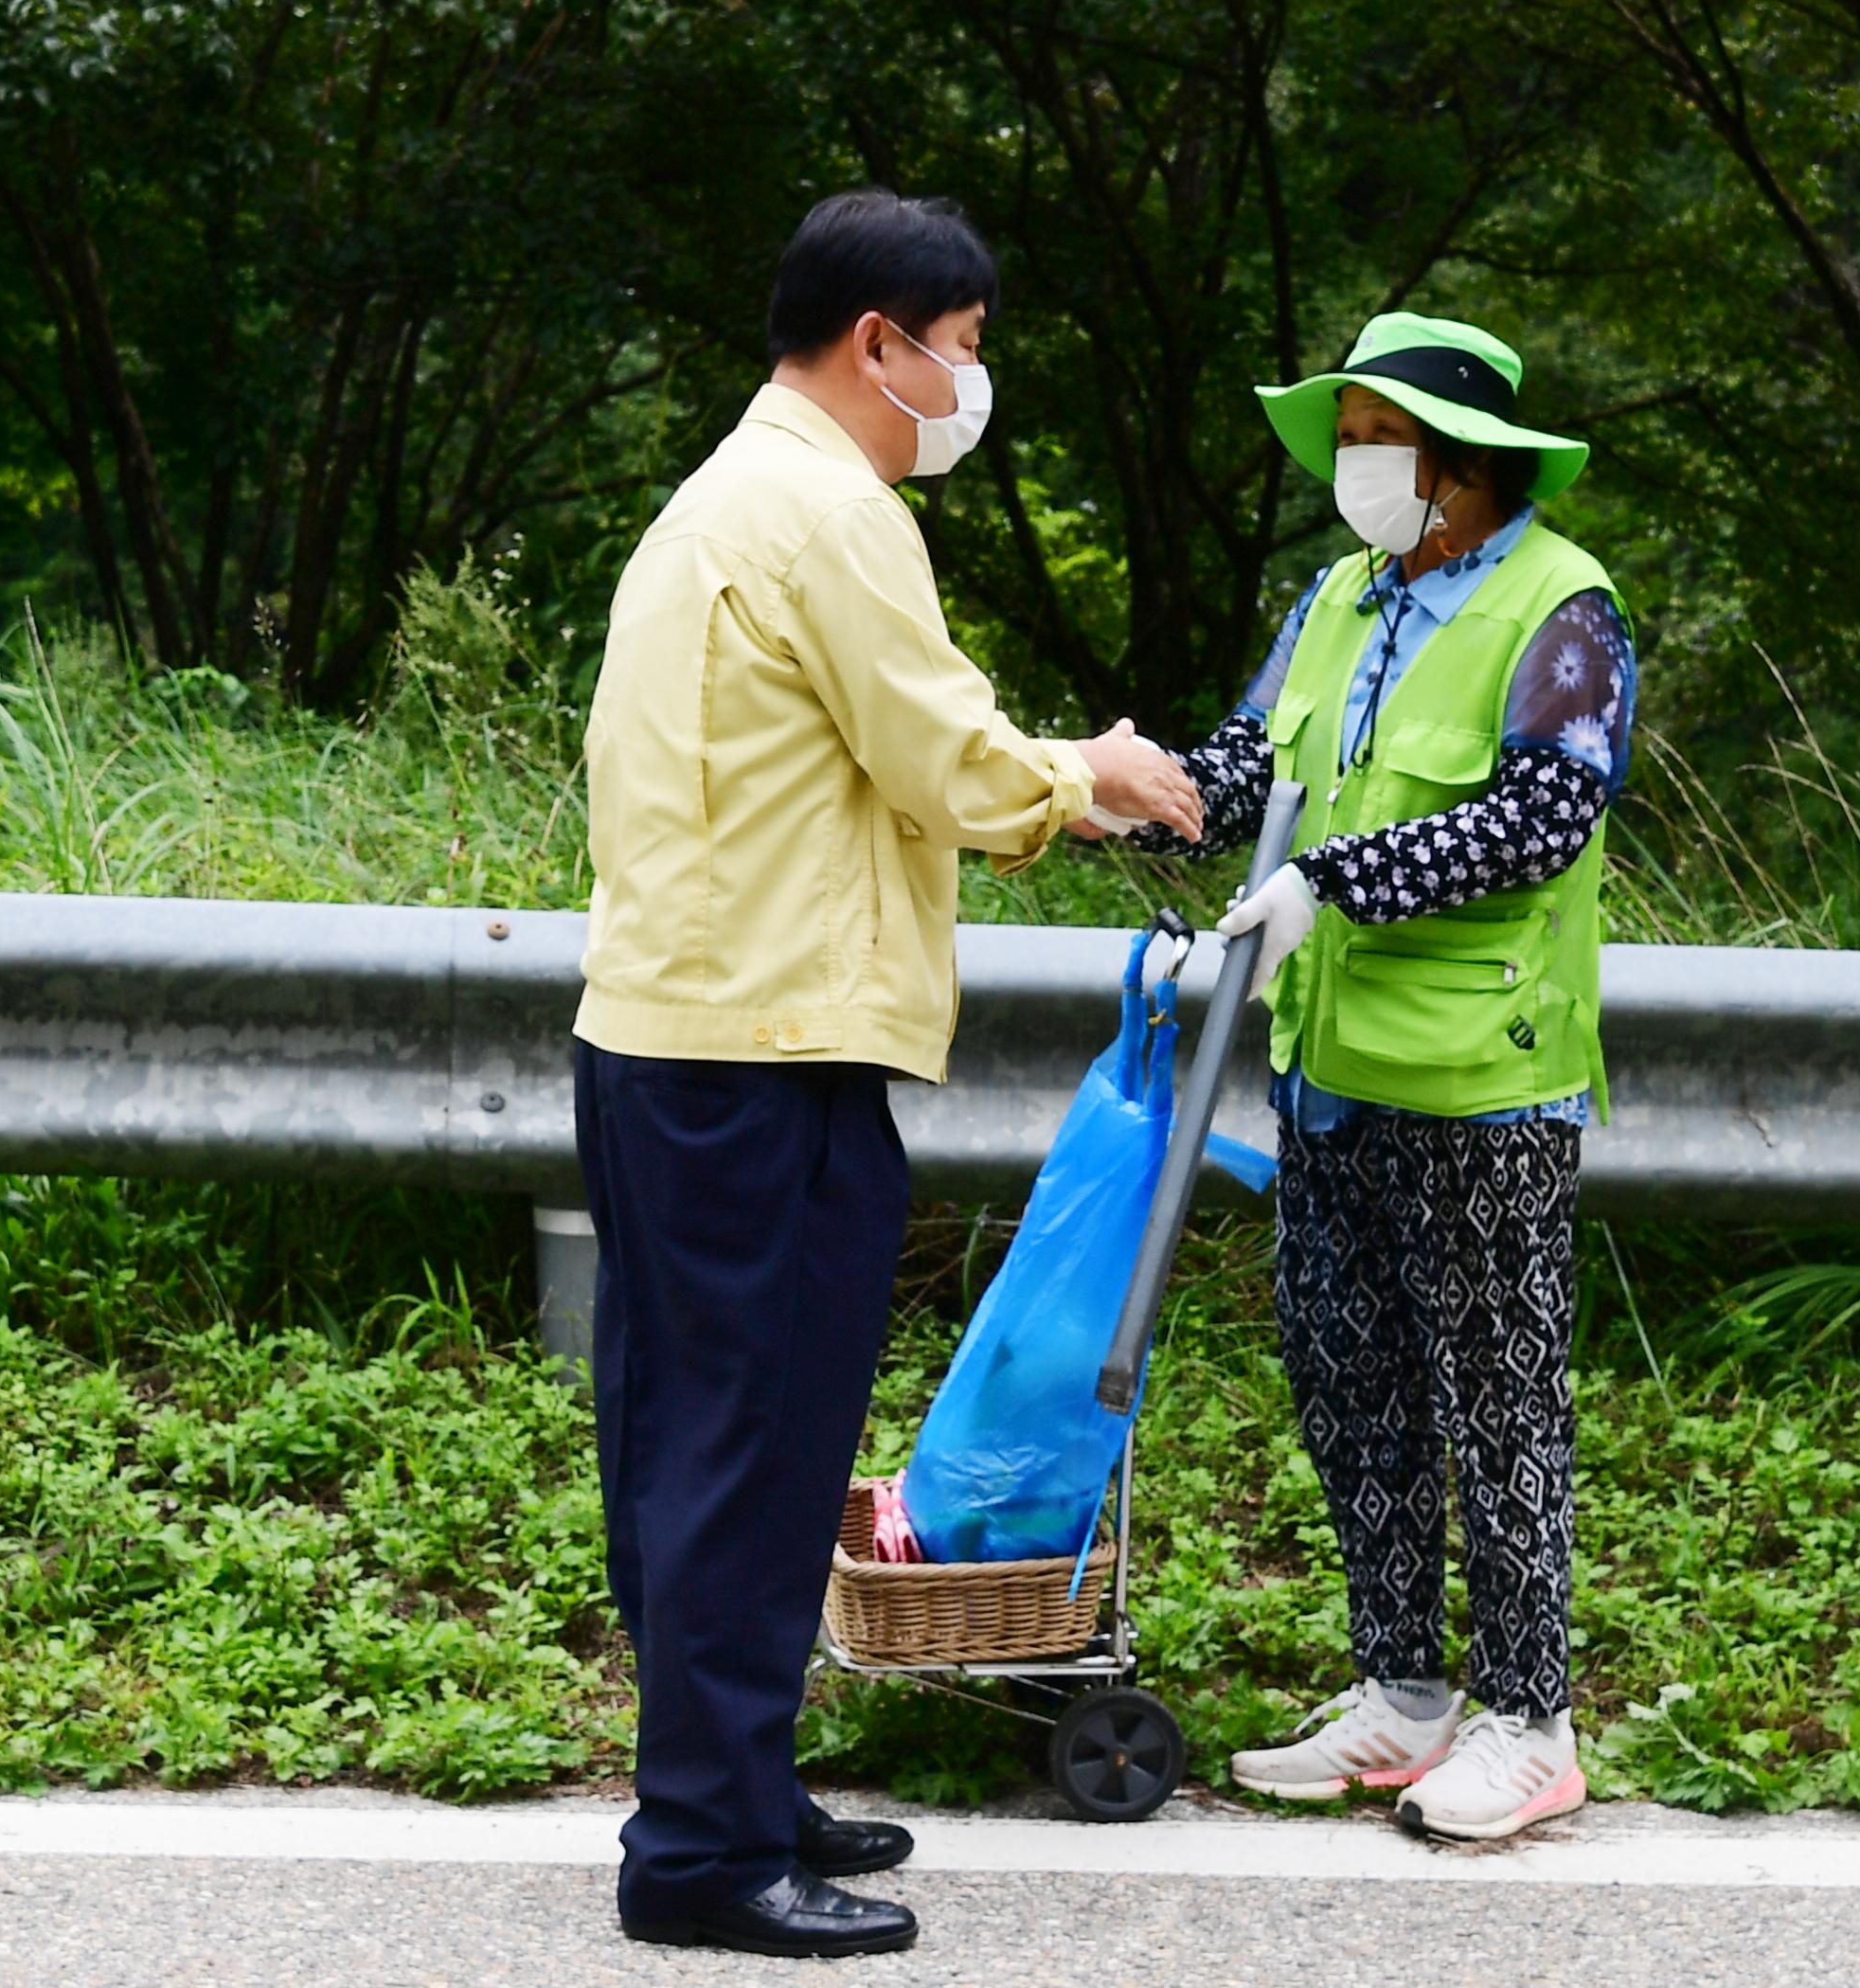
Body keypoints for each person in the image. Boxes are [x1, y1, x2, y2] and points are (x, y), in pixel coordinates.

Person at [574, 189, 1202, 1957]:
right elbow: (942, 753)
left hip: (687, 1035)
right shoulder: (828, 513)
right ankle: (702, 1853)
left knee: (702, 1438)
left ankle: (736, 1790)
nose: (968, 386)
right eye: (969, 351)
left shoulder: (723, 498)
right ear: (881, 343)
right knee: (748, 1449)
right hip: (756, 1053)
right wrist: (1098, 777)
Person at [1127, 311, 1633, 1841]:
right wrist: (1113, 790)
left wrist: (1330, 883)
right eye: (1345, 439)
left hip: (1482, 1080)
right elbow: (1242, 769)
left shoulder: (1565, 608)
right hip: (1329, 1071)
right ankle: (1404, 1698)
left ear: (1463, 465)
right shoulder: (1344, 596)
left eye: (1376, 440)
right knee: (1355, 1390)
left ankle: (1532, 1726)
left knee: (1500, 1406)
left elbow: (1541, 816)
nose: (1352, 467)